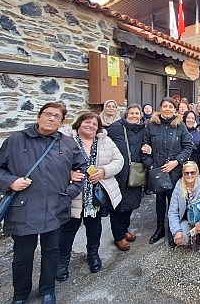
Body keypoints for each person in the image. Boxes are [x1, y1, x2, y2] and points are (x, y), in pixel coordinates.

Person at [0, 102, 85, 304]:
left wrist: (68, 194)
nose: (51, 118)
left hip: (56, 207)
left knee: (51, 252)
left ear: (61, 121)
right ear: (38, 117)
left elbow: (81, 172)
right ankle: (20, 294)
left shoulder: (67, 144)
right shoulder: (15, 141)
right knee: (22, 256)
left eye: (56, 116)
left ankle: (48, 289)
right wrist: (11, 182)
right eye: (47, 114)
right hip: (24, 208)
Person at [57, 112, 124, 281]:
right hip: (73, 193)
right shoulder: (66, 141)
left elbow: (119, 160)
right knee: (68, 228)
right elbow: (54, 163)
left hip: (95, 194)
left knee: (94, 226)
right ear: (79, 124)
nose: (91, 126)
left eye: (94, 124)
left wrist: (103, 171)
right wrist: (69, 173)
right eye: (87, 122)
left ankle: (93, 254)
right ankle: (62, 261)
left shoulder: (105, 141)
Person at [142, 97, 194, 247]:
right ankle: (159, 230)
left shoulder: (180, 126)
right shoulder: (151, 125)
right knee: (159, 202)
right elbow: (144, 147)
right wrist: (151, 166)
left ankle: (173, 230)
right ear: (160, 108)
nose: (167, 109)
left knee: (174, 203)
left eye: (170, 107)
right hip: (158, 171)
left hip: (175, 171)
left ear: (174, 109)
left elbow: (188, 147)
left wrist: (176, 162)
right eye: (164, 106)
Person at [106, 104, 146, 252]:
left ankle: (124, 230)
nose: (134, 116)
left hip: (135, 172)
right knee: (117, 205)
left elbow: (148, 144)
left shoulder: (143, 129)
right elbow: (105, 144)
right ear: (126, 115)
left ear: (141, 115)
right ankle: (118, 236)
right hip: (118, 173)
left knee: (130, 203)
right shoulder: (116, 128)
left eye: (137, 113)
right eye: (131, 113)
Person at [168, 161, 200, 254]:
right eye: (186, 173)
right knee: (182, 240)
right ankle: (193, 234)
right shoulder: (178, 186)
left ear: (197, 173)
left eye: (192, 172)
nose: (189, 175)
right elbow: (172, 211)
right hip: (186, 218)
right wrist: (176, 231)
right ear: (183, 174)